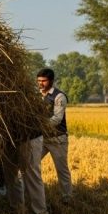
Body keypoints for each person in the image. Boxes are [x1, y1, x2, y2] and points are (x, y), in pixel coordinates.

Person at [37, 68, 73, 202]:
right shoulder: (36, 95)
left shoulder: (59, 96)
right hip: (41, 139)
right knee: (30, 165)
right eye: (39, 81)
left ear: (51, 81)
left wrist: (38, 125)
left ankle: (67, 198)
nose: (41, 83)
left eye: (44, 81)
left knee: (61, 170)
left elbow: (57, 119)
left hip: (58, 139)